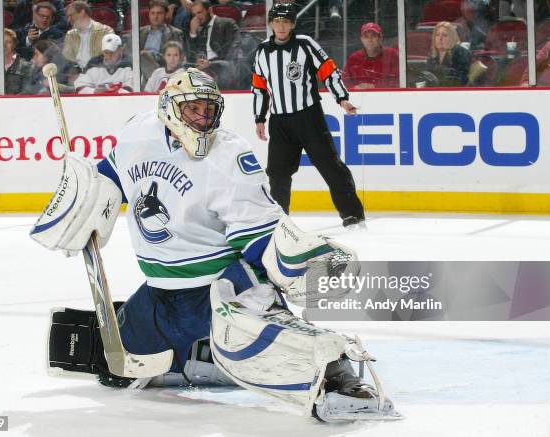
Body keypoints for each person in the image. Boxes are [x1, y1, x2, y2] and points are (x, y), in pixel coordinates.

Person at [33, 67, 396, 422]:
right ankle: (210, 357)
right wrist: (84, 199)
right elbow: (110, 175)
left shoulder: (228, 155)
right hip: (162, 291)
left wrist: (293, 260)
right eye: (194, 108)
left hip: (221, 285)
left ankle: (338, 374)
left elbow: (258, 231)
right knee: (115, 366)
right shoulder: (136, 134)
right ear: (168, 106)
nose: (203, 119)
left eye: (209, 110)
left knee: (276, 344)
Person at [252, 3, 365, 228]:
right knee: (277, 174)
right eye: (277, 22)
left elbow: (328, 71)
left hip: (309, 117)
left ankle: (352, 214)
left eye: (286, 22)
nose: (281, 26)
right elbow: (259, 88)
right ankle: (279, 221)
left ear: (293, 23)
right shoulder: (262, 51)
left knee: (330, 166)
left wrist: (342, 98)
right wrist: (259, 118)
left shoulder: (305, 45)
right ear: (271, 24)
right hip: (280, 122)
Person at [188, 0, 241, 89]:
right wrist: (193, 32)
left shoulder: (227, 23)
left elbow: (233, 51)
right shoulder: (199, 29)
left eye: (199, 12)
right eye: (194, 15)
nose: (197, 17)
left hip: (222, 69)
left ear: (210, 10)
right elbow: (191, 54)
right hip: (202, 70)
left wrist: (211, 64)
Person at [135, 0, 184, 85]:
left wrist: (152, 56)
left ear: (166, 15)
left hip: (163, 68)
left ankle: (157, 83)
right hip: (140, 70)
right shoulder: (139, 32)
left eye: (159, 13)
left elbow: (177, 57)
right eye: (152, 13)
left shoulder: (175, 33)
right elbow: (129, 55)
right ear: (149, 15)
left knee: (143, 55)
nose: (155, 16)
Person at [344, 22, 399, 89]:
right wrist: (355, 88)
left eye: (373, 36)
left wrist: (375, 86)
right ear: (361, 39)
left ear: (380, 37)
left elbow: (399, 80)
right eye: (366, 37)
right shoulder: (354, 58)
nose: (369, 40)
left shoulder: (392, 55)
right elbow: (344, 82)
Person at [63, 0, 113, 70]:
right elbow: (67, 58)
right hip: (77, 73)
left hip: (99, 72)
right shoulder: (70, 35)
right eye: (68, 17)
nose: (69, 19)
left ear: (82, 12)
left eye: (71, 15)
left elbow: (110, 57)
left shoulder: (105, 31)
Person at [425, 21, 471, 87]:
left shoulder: (461, 52)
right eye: (437, 35)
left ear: (452, 38)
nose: (440, 38)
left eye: (445, 35)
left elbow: (461, 80)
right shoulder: (432, 55)